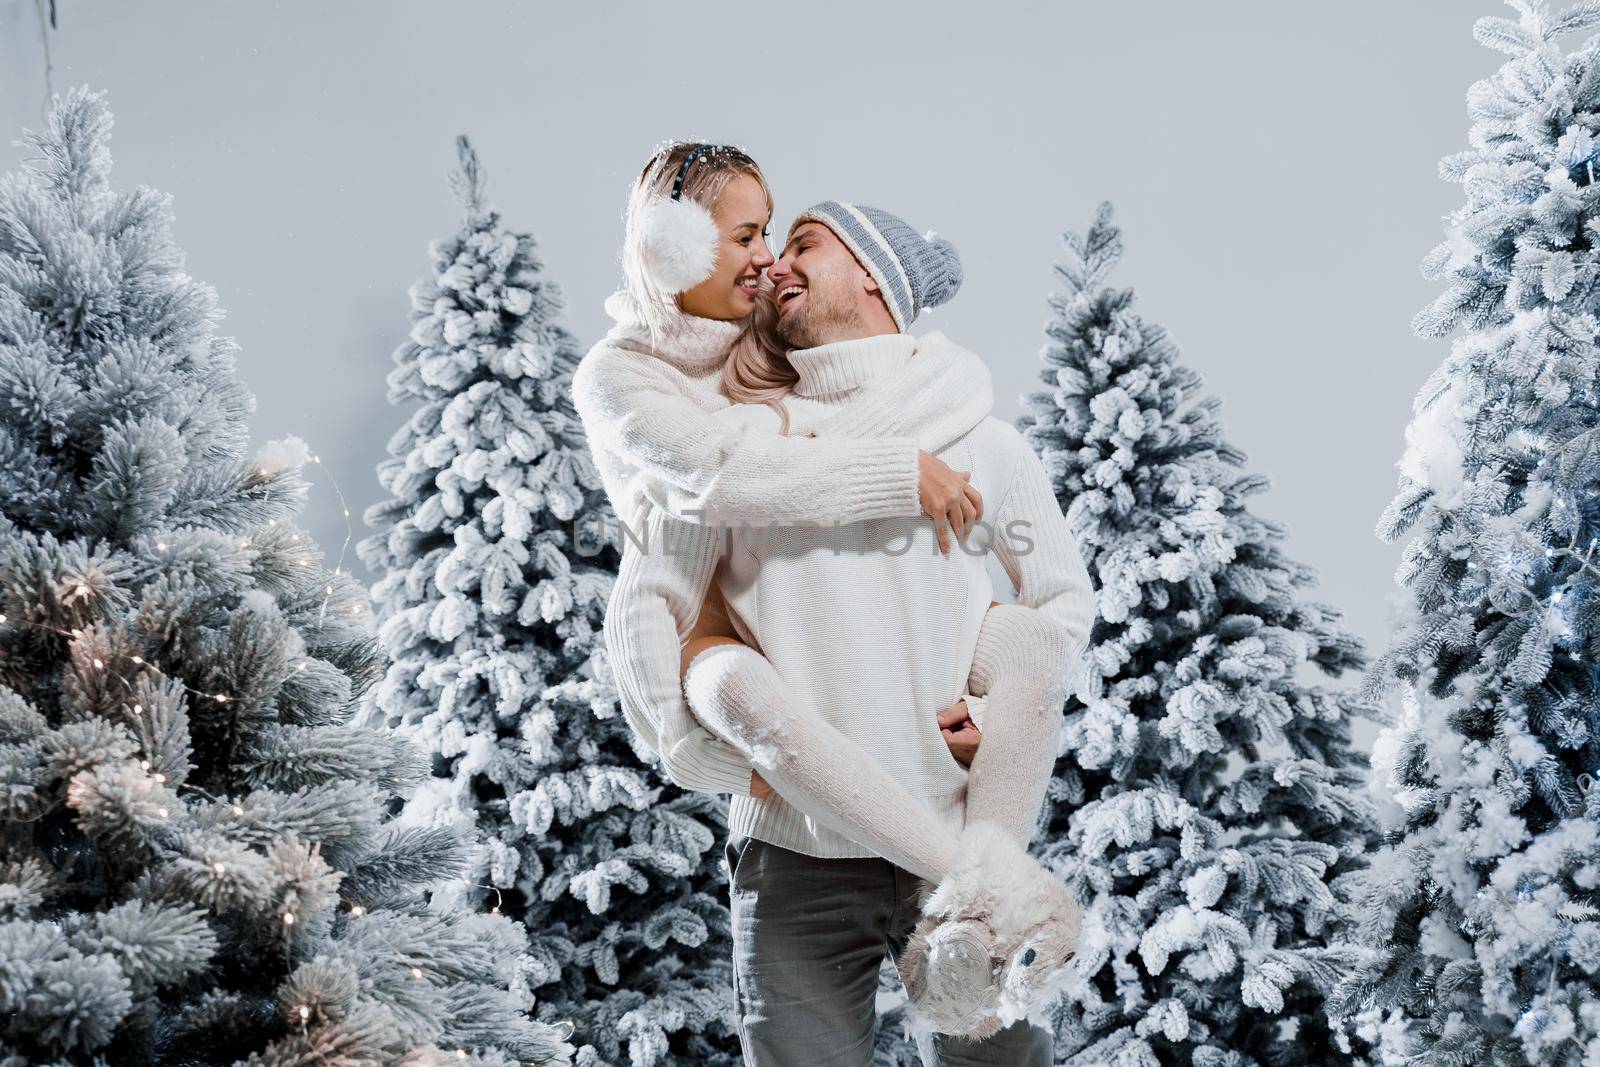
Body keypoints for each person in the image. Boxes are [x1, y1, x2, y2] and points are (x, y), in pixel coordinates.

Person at [571, 144, 1094, 1058]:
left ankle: (981, 889)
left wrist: (991, 713)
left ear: (876, 281)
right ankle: (987, 885)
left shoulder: (984, 440)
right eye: (758, 236)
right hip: (797, 854)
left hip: (954, 803)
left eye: (798, 240)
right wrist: (709, 751)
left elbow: (1057, 608)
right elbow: (659, 584)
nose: (774, 260)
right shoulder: (740, 439)